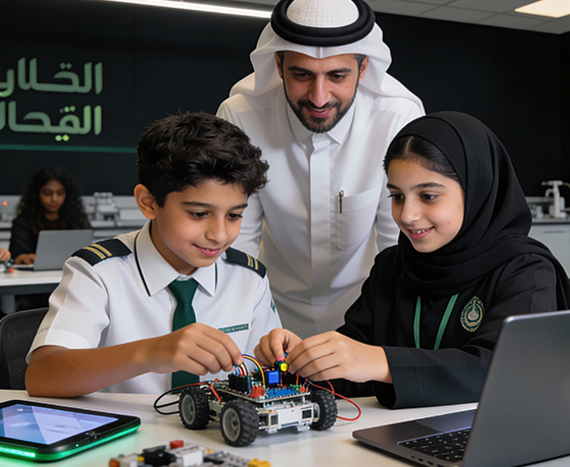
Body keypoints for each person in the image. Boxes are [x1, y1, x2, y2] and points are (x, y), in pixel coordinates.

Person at [255, 111, 570, 409]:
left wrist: (380, 362)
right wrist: (301, 360)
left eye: (428, 196)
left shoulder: (527, 272)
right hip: (395, 438)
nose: (407, 215)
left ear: (477, 189)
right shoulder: (393, 267)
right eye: (397, 196)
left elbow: (505, 371)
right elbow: (353, 362)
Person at [25, 112, 282, 397]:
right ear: (148, 203)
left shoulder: (249, 277)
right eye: (199, 214)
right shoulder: (98, 272)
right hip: (130, 426)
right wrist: (151, 352)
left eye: (234, 215)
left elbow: (265, 372)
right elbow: (41, 376)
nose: (219, 235)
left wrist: (280, 357)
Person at [217, 0, 425, 338]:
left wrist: (386, 342)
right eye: (301, 75)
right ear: (278, 65)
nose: (319, 97)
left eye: (337, 76)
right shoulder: (240, 116)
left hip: (367, 312)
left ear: (363, 68)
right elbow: (236, 240)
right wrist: (238, 331)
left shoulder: (397, 119)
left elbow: (399, 246)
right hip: (270, 314)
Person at [9, 166, 91, 265]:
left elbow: (87, 250)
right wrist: (25, 258)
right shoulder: (23, 222)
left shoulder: (77, 219)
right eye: (47, 193)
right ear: (36, 194)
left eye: (60, 193)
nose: (54, 199)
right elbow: (16, 256)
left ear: (67, 194)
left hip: (73, 269)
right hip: (35, 273)